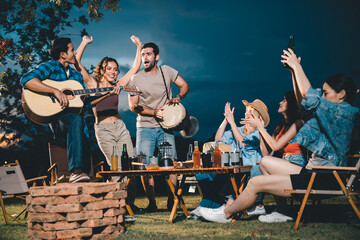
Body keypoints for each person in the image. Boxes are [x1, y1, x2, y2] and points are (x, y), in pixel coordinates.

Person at [199, 48, 359, 223]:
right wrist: (292, 71)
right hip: (313, 173)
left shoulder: (344, 114)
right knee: (265, 162)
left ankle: (226, 213)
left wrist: (297, 66)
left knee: (255, 182)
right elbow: (304, 104)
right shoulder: (332, 116)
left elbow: (309, 97)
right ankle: (284, 211)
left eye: (326, 93)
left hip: (325, 178)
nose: (323, 97)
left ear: (341, 94)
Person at [74, 35, 143, 212]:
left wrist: (139, 46)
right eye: (110, 69)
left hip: (120, 128)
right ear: (103, 70)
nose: (113, 72)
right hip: (103, 129)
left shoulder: (119, 84)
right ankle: (117, 204)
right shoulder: (94, 83)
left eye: (116, 69)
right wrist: (84, 43)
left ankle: (130, 203)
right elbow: (76, 63)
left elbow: (135, 67)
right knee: (117, 168)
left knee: (130, 166)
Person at [128, 42, 190, 211]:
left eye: (148, 54)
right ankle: (152, 204)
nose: (145, 58)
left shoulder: (167, 71)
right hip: (145, 127)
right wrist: (153, 112)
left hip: (166, 128)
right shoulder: (136, 79)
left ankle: (172, 202)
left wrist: (177, 97)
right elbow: (134, 106)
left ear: (156, 57)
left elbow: (185, 86)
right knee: (144, 166)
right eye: (142, 55)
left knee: (170, 164)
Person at [20, 37, 91, 183]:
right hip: (55, 120)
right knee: (75, 119)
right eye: (72, 49)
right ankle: (75, 171)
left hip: (74, 124)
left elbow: (85, 101)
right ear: (63, 54)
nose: (74, 52)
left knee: (81, 124)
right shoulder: (50, 67)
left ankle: (81, 176)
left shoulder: (76, 75)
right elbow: (27, 79)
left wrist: (108, 93)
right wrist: (55, 91)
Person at [189, 100, 270, 219]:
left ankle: (210, 207)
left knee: (226, 176)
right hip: (232, 168)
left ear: (258, 117)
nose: (247, 114)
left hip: (248, 171)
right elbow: (218, 138)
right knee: (203, 173)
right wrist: (226, 120)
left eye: (251, 113)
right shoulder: (238, 129)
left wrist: (232, 123)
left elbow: (242, 142)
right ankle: (210, 205)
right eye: (246, 111)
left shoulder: (260, 132)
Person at [241, 91, 306, 222]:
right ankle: (280, 210)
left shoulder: (299, 123)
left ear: (292, 104)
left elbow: (276, 146)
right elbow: (266, 154)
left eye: (284, 100)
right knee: (261, 164)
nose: (280, 102)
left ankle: (280, 210)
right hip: (284, 163)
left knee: (261, 165)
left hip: (297, 164)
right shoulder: (281, 126)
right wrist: (260, 130)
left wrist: (260, 126)